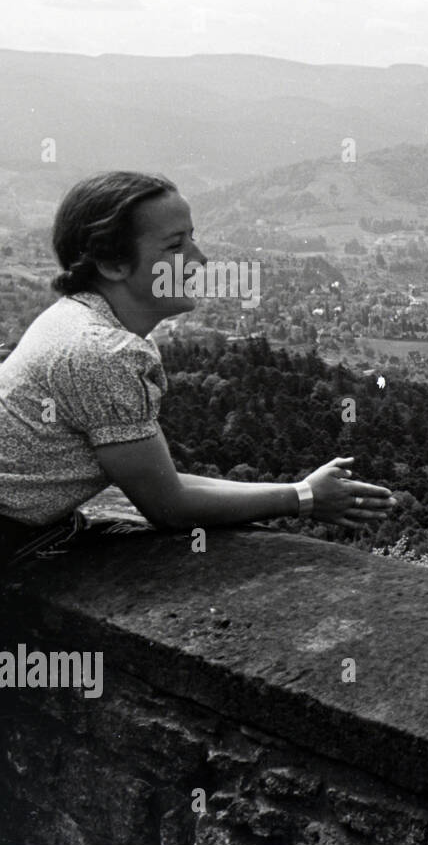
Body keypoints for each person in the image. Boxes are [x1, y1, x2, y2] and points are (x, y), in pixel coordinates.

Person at [0, 171, 394, 569]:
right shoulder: (103, 352)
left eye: (193, 237)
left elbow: (163, 482)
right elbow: (169, 507)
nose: (199, 258)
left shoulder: (78, 320)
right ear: (112, 263)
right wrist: (302, 498)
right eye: (175, 245)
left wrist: (299, 491)